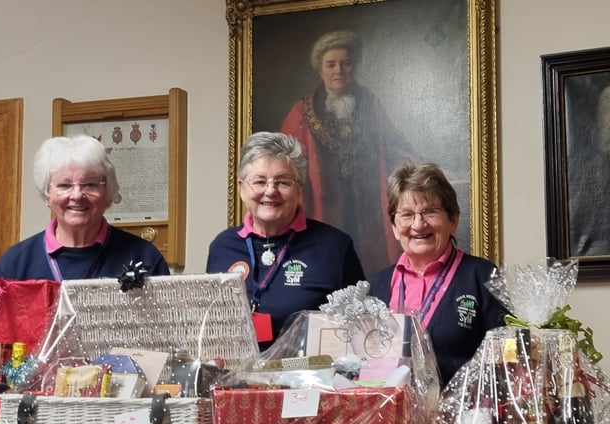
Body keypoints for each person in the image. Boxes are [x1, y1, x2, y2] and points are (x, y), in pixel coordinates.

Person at [206, 131, 366, 349]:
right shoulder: (221, 247)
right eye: (260, 181)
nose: (270, 191)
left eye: (283, 182)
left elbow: (361, 331)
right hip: (235, 380)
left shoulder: (335, 247)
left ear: (299, 189)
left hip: (311, 381)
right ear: (242, 189)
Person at [281, 29, 414, 278]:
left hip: (368, 201)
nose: (338, 71)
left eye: (346, 63)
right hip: (323, 203)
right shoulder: (302, 111)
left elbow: (393, 141)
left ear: (355, 68)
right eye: (331, 64)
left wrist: (414, 162)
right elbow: (286, 164)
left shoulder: (371, 104)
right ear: (321, 71)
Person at [369, 159, 507, 386]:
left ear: (453, 220)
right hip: (391, 416)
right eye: (406, 214)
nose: (418, 224)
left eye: (430, 212)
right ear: (394, 227)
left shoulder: (483, 277)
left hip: (462, 417)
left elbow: (505, 360)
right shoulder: (380, 282)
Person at [0, 135, 170, 281]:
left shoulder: (144, 257)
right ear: (47, 195)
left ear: (107, 193)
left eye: (90, 184)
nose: (77, 195)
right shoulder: (15, 264)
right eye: (64, 185)